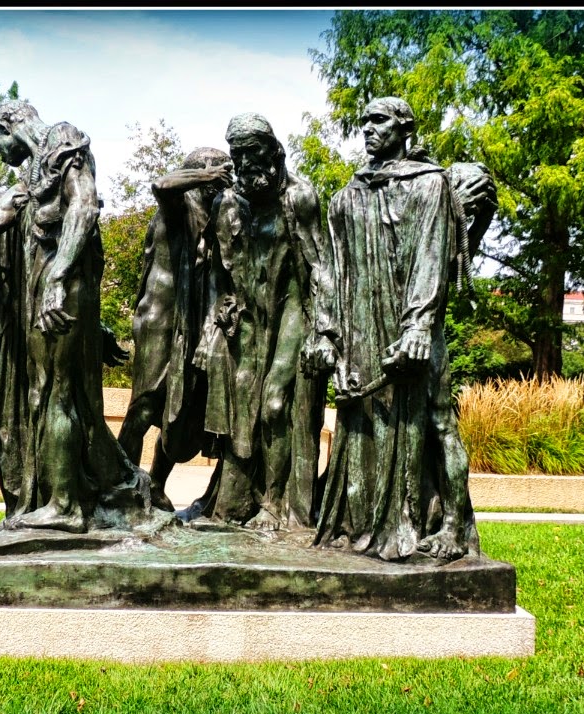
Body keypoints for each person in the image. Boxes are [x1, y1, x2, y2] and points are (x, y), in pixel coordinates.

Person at [0, 100, 153, 534]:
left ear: (4, 126)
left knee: (54, 393)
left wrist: (58, 278)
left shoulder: (62, 138)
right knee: (45, 393)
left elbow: (85, 206)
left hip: (57, 289)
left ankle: (66, 507)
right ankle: (71, 496)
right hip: (47, 291)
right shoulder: (31, 174)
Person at [310, 96, 495, 562]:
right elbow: (332, 270)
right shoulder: (346, 196)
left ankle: (453, 526)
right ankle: (363, 518)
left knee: (438, 423)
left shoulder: (430, 185)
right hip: (362, 329)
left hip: (414, 328)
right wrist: (329, 334)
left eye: (378, 121)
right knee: (364, 420)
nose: (368, 129)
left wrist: (419, 324)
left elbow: (432, 257)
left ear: (404, 127)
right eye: (364, 122)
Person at [194, 113, 335, 531]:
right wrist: (212, 327)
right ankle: (241, 500)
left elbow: (320, 267)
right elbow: (218, 275)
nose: (245, 162)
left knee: (275, 403)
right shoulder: (228, 204)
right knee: (242, 404)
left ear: (274, 150)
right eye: (238, 155)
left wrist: (324, 331)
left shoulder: (299, 197)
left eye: (253, 152)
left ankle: (275, 506)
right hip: (249, 319)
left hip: (292, 310)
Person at [116, 148, 234, 510]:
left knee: (180, 409)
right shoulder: (177, 205)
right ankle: (121, 487)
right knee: (145, 406)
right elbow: (162, 185)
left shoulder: (213, 218)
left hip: (194, 322)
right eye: (215, 172)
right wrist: (206, 176)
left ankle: (156, 484)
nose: (220, 182)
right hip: (160, 320)